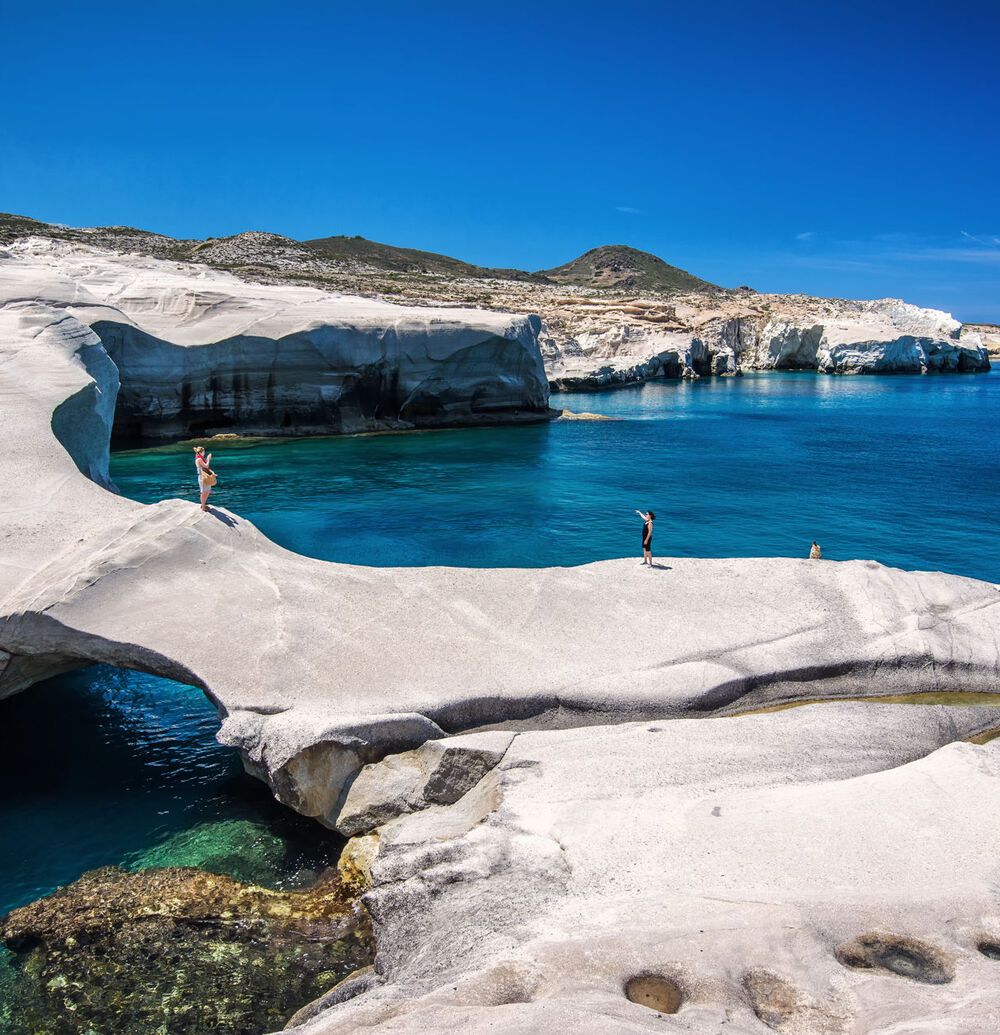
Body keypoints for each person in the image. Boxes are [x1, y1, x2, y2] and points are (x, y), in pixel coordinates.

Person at [194, 446, 216, 512]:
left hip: (205, 476)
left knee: (208, 491)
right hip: (202, 477)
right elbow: (206, 466)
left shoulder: (201, 459)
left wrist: (212, 473)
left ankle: (203, 504)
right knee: (204, 492)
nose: (204, 453)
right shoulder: (199, 459)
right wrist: (208, 459)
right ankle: (203, 507)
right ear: (201, 452)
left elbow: (206, 468)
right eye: (204, 451)